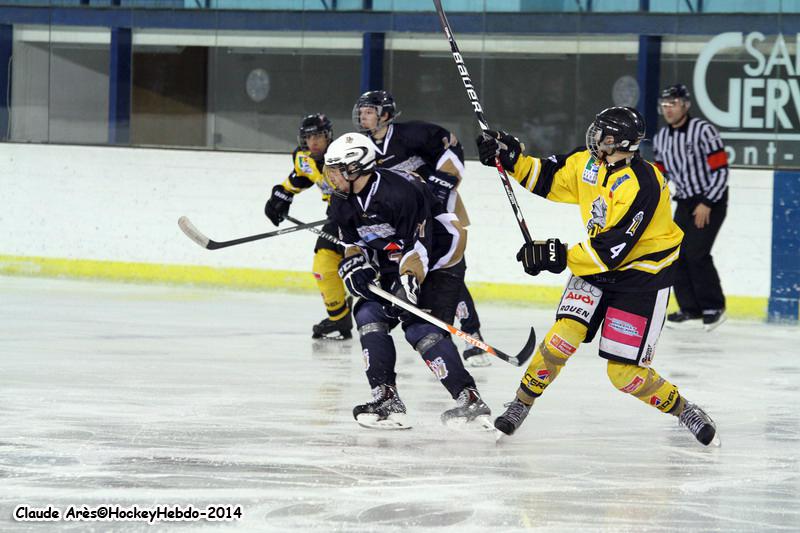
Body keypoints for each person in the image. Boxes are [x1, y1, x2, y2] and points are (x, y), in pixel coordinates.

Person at [476, 106, 719, 446]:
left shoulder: (644, 183)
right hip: (597, 270)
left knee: (623, 374)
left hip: (642, 276)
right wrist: (509, 155)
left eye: (601, 133)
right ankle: (521, 403)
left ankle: (683, 409)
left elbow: (613, 248)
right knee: (562, 337)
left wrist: (555, 255)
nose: (593, 136)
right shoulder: (589, 163)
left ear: (617, 141)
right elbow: (546, 176)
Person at [324, 131, 491, 430]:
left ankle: (470, 400)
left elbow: (419, 246)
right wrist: (354, 264)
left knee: (419, 326)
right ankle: (385, 398)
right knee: (367, 312)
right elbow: (352, 241)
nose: (331, 176)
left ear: (354, 168)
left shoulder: (400, 192)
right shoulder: (341, 201)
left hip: (441, 257)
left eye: (336, 169)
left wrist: (408, 283)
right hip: (395, 259)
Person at [352, 90, 491, 367]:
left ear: (386, 115)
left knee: (446, 271)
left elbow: (450, 145)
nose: (363, 116)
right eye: (362, 111)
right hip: (404, 219)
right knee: (418, 271)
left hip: (438, 213)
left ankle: (470, 331)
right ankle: (442, 331)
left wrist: (444, 181)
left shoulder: (412, 135)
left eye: (369, 111)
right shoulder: (362, 148)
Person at [264, 114, 352, 340]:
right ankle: (339, 316)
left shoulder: (347, 155)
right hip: (336, 219)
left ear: (329, 136)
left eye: (318, 136)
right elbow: (299, 179)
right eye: (308, 137)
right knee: (323, 266)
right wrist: (280, 198)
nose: (313, 142)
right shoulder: (304, 158)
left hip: (365, 219)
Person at [653, 84, 729, 331]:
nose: (668, 109)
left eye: (673, 104)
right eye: (665, 105)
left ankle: (714, 307)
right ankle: (690, 309)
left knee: (696, 253)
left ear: (685, 105)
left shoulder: (703, 130)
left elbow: (720, 170)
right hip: (684, 202)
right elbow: (661, 175)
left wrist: (707, 202)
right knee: (676, 254)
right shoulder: (661, 138)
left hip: (710, 200)